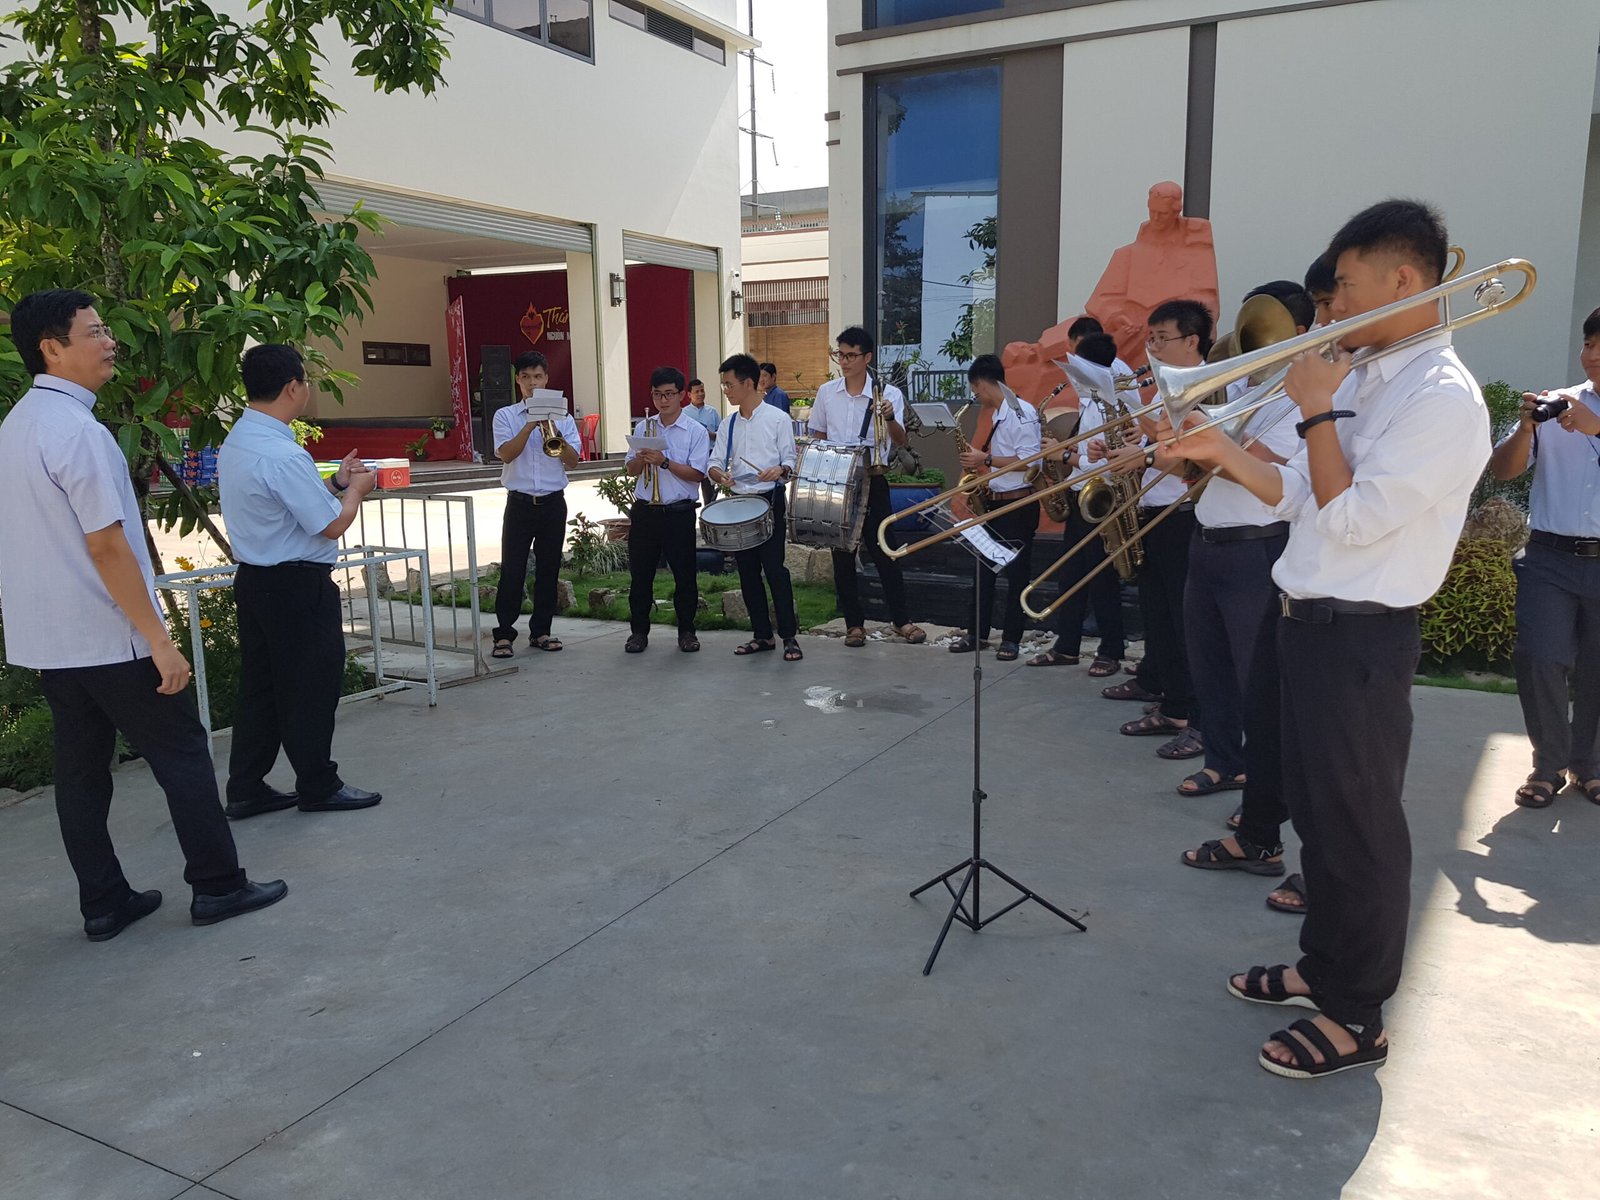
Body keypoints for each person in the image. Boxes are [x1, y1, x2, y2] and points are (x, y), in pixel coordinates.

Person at [1163, 198, 1489, 1078]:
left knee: (1359, 829)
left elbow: (1353, 519)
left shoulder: (1441, 398)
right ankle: (1324, 967)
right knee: (1316, 817)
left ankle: (1357, 1014)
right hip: (1305, 622)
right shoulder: (1373, 377)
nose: (1331, 307)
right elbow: (1306, 497)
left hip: (1361, 639)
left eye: (1342, 287)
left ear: (1403, 280)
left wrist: (1313, 414)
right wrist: (1222, 453)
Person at [0, 289, 286, 938]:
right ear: (51, 348)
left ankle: (104, 903)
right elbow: (106, 544)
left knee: (80, 774)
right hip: (110, 634)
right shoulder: (78, 431)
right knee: (182, 754)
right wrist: (158, 639)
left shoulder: (17, 425)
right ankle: (218, 885)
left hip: (53, 641)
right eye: (96, 332)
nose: (111, 343)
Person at [218, 344, 383, 819]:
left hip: (257, 581)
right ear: (293, 387)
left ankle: (246, 787)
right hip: (295, 587)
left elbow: (287, 505)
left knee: (262, 688)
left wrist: (335, 484)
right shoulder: (282, 453)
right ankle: (318, 784)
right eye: (305, 381)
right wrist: (356, 491)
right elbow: (330, 525)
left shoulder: (242, 439)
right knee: (310, 686)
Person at [1174, 283, 1309, 802]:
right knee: (1209, 666)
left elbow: (1274, 472)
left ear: (1299, 333)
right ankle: (1222, 762)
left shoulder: (1297, 400)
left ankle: (1265, 788)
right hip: (1207, 539)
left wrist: (1213, 446)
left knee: (1258, 675)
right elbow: (1200, 469)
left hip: (1258, 545)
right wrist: (1183, 449)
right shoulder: (1233, 391)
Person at [1488, 306, 1600, 808]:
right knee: (1540, 657)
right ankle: (1548, 765)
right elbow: (1503, 471)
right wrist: (1525, 430)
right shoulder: (1558, 404)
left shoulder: (1586, 417)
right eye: (1588, 343)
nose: (1592, 355)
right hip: (1550, 556)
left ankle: (1590, 766)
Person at [1096, 299, 1212, 761]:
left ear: (1192, 340)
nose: (1153, 348)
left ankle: (1192, 714)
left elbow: (1192, 456)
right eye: (1152, 338)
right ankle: (1173, 703)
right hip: (1153, 513)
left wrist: (1142, 452)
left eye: (1162, 338)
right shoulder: (1162, 389)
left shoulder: (1209, 387)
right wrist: (1132, 442)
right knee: (1159, 617)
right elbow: (1156, 443)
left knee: (1184, 624)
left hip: (1183, 515)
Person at [808, 326, 927, 648]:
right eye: (840, 355)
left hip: (873, 479)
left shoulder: (889, 394)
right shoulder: (827, 393)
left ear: (867, 357)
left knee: (885, 550)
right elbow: (818, 435)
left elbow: (900, 440)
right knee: (842, 554)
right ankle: (853, 624)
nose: (844, 362)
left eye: (851, 356)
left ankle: (901, 620)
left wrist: (890, 417)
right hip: (837, 480)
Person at [1027, 332, 1127, 675]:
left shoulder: (1114, 402)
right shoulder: (1090, 401)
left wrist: (1065, 455)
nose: (1072, 378)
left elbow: (1108, 464)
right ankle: (1066, 645)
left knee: (1102, 581)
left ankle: (1111, 650)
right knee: (1071, 578)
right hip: (1081, 496)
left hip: (1102, 500)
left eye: (1077, 369)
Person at [707, 353, 803, 661]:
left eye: (729, 384)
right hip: (740, 503)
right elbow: (714, 462)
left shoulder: (777, 419)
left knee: (775, 570)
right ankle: (762, 635)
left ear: (748, 383)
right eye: (724, 385)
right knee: (747, 572)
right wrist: (719, 474)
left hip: (769, 501)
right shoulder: (728, 424)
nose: (726, 390)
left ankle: (789, 636)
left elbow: (790, 461)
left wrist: (779, 470)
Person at [948, 355, 1041, 661]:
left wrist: (984, 460)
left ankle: (1011, 638)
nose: (976, 396)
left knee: (1016, 575)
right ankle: (977, 633)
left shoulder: (1020, 412)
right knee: (983, 571)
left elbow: (1031, 462)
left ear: (983, 384)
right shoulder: (1001, 413)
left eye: (975, 390)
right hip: (996, 501)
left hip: (1018, 503)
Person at [490, 351, 581, 658]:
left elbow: (573, 461)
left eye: (538, 377)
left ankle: (541, 631)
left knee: (548, 569)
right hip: (520, 503)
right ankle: (504, 634)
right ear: (518, 379)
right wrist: (530, 425)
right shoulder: (505, 416)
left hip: (553, 503)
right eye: (526, 377)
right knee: (512, 570)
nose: (532, 383)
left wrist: (553, 429)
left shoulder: (563, 417)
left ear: (546, 380)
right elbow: (506, 454)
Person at [1086, 181, 1220, 371]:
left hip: (1169, 334)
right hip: (1127, 331)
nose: (1156, 218)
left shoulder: (1195, 250)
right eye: (1152, 211)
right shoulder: (1128, 254)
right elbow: (1101, 300)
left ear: (1176, 212)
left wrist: (1172, 324)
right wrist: (1116, 316)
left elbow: (1206, 301)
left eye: (1162, 213)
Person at [622, 367, 710, 654]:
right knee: (640, 576)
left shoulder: (695, 431)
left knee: (684, 576)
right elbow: (631, 470)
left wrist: (663, 462)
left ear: (682, 395)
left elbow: (697, 474)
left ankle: (687, 631)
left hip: (678, 513)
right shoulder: (643, 428)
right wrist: (640, 459)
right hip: (645, 511)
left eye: (669, 394)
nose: (663, 400)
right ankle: (638, 632)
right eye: (657, 394)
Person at [685, 378, 722, 506]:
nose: (700, 394)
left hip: (709, 455)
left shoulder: (712, 412)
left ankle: (709, 515)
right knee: (688, 492)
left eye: (702, 390)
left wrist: (709, 435)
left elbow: (721, 435)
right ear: (689, 394)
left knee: (709, 494)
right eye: (697, 392)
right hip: (690, 457)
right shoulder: (683, 413)